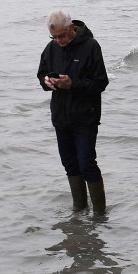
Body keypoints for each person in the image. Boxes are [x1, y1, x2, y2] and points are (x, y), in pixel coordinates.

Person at [37, 11, 110, 214]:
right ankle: (79, 211)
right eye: (55, 37)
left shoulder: (91, 46)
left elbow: (101, 83)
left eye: (62, 36)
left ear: (71, 29)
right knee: (70, 164)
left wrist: (73, 84)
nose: (59, 41)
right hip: (61, 117)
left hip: (86, 116)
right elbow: (41, 74)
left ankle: (100, 215)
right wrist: (46, 82)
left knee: (86, 163)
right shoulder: (51, 48)